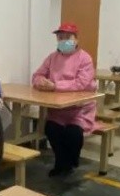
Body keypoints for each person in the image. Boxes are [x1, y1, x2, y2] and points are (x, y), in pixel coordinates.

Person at [31, 22, 97, 176]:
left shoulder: (85, 58)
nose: (63, 40)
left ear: (76, 39)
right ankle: (61, 163)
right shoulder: (52, 57)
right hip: (58, 110)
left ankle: (70, 161)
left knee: (74, 133)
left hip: (79, 110)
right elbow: (37, 75)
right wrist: (41, 82)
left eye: (68, 37)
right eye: (60, 37)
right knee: (51, 129)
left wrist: (55, 86)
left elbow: (81, 83)